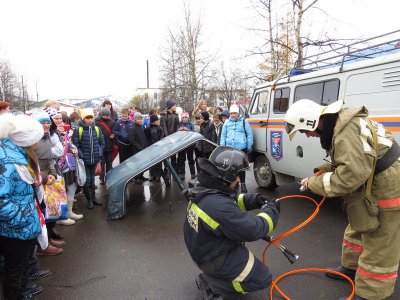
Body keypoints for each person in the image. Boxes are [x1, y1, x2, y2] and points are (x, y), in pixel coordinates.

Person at [284, 99, 400, 300]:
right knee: (358, 224)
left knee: (380, 240)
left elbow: (350, 176)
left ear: (311, 121)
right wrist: (321, 172)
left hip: (388, 185)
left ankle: (370, 294)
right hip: (373, 179)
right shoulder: (340, 124)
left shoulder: (345, 130)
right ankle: (351, 269)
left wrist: (313, 184)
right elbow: (349, 161)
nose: (309, 136)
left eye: (304, 131)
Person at [183, 146, 280, 299]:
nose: (239, 180)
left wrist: (256, 200)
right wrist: (272, 211)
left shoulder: (204, 186)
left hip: (203, 250)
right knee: (263, 278)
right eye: (238, 175)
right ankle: (213, 284)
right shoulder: (218, 206)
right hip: (212, 258)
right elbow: (253, 229)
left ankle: (216, 276)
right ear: (228, 175)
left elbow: (231, 201)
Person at [0, 113, 44, 300]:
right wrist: (23, 219)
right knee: (14, 272)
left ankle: (24, 292)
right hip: (15, 229)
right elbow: (1, 200)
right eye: (36, 139)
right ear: (26, 139)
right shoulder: (9, 161)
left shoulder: (17, 153)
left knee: (21, 267)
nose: (38, 143)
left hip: (24, 226)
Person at [72, 108, 105, 209]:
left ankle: (94, 198)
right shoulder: (78, 130)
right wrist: (81, 155)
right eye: (87, 118)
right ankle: (89, 200)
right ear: (83, 119)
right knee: (87, 180)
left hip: (94, 159)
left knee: (92, 180)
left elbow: (102, 142)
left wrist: (99, 153)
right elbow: (75, 144)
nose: (90, 120)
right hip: (84, 160)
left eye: (91, 118)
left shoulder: (96, 129)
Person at [219, 104, 253, 192]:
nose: (233, 115)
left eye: (234, 113)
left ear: (238, 113)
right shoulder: (226, 123)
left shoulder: (244, 122)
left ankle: (243, 184)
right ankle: (231, 183)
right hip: (229, 148)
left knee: (240, 167)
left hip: (241, 147)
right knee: (230, 166)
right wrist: (222, 146)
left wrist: (249, 145)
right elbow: (223, 135)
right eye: (231, 113)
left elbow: (249, 134)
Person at [145, 114, 169, 185]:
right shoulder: (147, 129)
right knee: (152, 163)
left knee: (158, 163)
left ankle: (158, 175)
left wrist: (159, 146)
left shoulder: (159, 128)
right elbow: (146, 138)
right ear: (153, 121)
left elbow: (161, 137)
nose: (158, 121)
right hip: (150, 148)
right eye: (157, 120)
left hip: (158, 148)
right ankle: (153, 175)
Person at [95, 107, 116, 185]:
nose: (108, 117)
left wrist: (114, 135)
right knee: (102, 163)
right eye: (106, 115)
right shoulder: (96, 122)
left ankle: (109, 177)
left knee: (109, 162)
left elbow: (115, 132)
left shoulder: (112, 122)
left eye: (109, 115)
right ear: (102, 115)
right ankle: (102, 178)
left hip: (110, 146)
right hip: (101, 147)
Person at [128, 112, 149, 183]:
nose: (140, 120)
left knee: (142, 164)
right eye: (138, 119)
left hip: (143, 148)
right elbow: (131, 140)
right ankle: (137, 178)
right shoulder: (132, 128)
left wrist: (146, 146)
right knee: (137, 165)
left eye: (141, 119)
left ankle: (141, 176)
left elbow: (144, 137)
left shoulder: (142, 126)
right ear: (135, 120)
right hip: (137, 150)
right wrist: (139, 147)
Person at [160, 99, 179, 171]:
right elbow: (163, 128)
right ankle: (167, 170)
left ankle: (174, 170)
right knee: (167, 155)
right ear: (170, 106)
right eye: (174, 105)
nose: (175, 107)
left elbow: (177, 126)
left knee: (174, 155)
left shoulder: (176, 115)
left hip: (174, 138)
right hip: (167, 138)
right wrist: (167, 137)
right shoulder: (164, 115)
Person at [176, 111, 196, 179]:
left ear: (188, 118)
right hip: (181, 144)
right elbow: (176, 133)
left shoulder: (191, 125)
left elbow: (193, 133)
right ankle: (182, 173)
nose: (184, 118)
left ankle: (193, 174)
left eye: (186, 117)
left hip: (189, 145)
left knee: (191, 159)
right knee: (182, 159)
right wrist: (179, 130)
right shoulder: (179, 124)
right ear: (181, 118)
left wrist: (188, 130)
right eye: (183, 117)